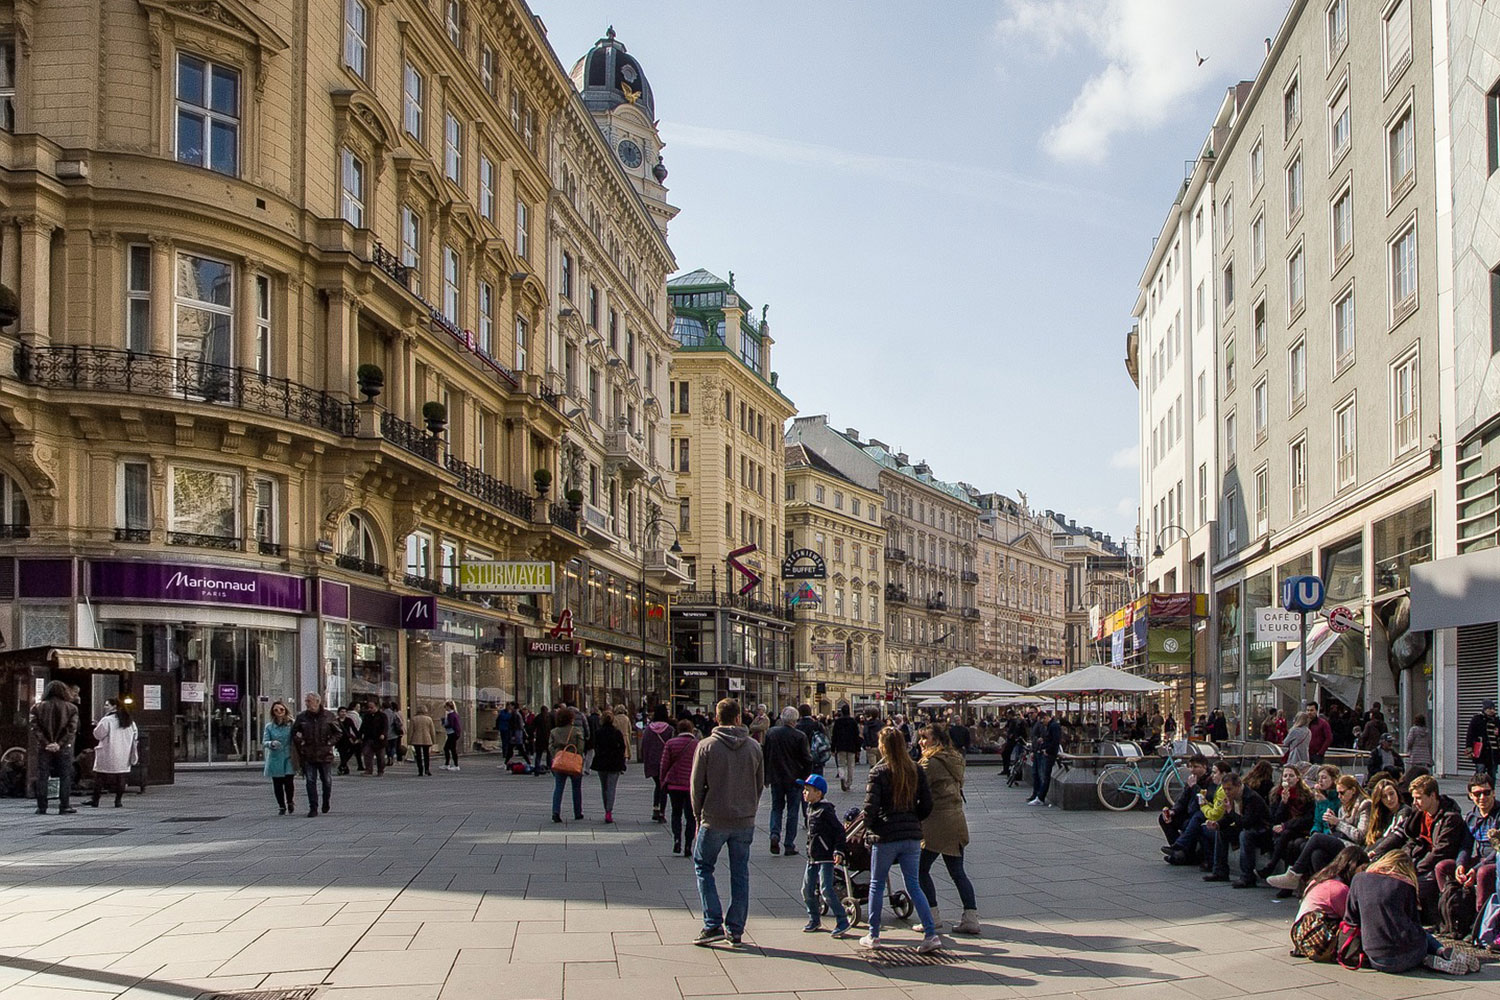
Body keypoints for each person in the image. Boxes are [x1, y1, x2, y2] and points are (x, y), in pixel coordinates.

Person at [690, 698, 764, 947]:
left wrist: (698, 816)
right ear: (738, 718)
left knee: (703, 866)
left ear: (716, 718)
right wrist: (750, 808)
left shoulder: (706, 746)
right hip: (744, 820)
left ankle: (712, 924)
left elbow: (696, 787)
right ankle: (735, 928)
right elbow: (759, 784)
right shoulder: (754, 747)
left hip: (714, 817)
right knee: (740, 872)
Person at [861, 726, 942, 953]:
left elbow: (870, 809)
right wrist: (914, 820)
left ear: (884, 746)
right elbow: (927, 804)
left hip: (886, 835)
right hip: (912, 836)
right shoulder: (915, 769)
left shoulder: (879, 772)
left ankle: (873, 935)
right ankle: (930, 933)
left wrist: (870, 827)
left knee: (877, 884)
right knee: (914, 884)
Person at [1344, 851, 1478, 975]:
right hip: (1408, 953)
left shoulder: (1359, 879)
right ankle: (1439, 951)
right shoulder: (1405, 885)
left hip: (1376, 957)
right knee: (1423, 935)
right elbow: (1414, 924)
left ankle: (1429, 959)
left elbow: (1351, 918)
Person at [917, 724, 980, 934]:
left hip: (936, 822)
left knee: (920, 870)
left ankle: (932, 916)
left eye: (925, 738)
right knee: (957, 872)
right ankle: (971, 918)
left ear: (936, 740)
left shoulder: (930, 762)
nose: (921, 742)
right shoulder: (955, 758)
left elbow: (916, 787)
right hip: (956, 820)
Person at [1267, 770, 1366, 891]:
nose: (1340, 796)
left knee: (1313, 839)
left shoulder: (1363, 805)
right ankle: (1322, 890)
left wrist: (1337, 822)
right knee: (1316, 854)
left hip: (1354, 847)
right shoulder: (1343, 803)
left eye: (1342, 793)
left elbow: (1360, 836)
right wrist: (1284, 802)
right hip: (1335, 838)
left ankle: (1294, 874)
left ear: (1353, 790)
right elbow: (1319, 822)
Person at [1434, 776, 1498, 921]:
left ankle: (1479, 922)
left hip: (1494, 861)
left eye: (1486, 793)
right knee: (1442, 867)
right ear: (1470, 795)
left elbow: (1497, 851)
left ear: (1493, 792)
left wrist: (1475, 869)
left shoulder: (1498, 816)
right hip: (1479, 859)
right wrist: (1460, 865)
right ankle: (1450, 912)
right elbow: (1466, 846)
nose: (1482, 797)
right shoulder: (1471, 817)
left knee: (1483, 873)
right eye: (1477, 794)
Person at [1289, 846, 1367, 959]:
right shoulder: (1338, 889)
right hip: (1319, 940)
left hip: (1302, 934)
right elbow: (1352, 918)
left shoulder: (1319, 879)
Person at [799, 773, 851, 938]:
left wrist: (839, 850)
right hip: (812, 857)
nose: (804, 793)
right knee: (806, 890)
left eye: (808, 790)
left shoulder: (825, 810)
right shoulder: (811, 808)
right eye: (804, 790)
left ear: (819, 793)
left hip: (825, 857)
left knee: (826, 889)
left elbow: (839, 831)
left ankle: (842, 919)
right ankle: (814, 918)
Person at [1201, 771, 1271, 888]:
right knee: (1221, 832)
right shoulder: (1232, 797)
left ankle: (1247, 876)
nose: (1227, 792)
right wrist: (1217, 824)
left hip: (1261, 830)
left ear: (1238, 786)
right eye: (1225, 789)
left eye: (1230, 789)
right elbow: (1229, 818)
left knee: (1245, 835)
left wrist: (1230, 812)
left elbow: (1246, 822)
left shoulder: (1251, 798)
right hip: (1246, 827)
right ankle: (1220, 870)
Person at [763, 706, 812, 856]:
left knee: (776, 808)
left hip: (776, 778)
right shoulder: (800, 736)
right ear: (795, 720)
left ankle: (774, 834)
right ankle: (789, 844)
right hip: (794, 779)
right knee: (793, 811)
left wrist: (766, 776)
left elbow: (765, 755)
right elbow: (807, 759)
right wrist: (805, 778)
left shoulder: (771, 733)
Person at [29, 680, 79, 815]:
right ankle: (64, 805)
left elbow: (35, 728)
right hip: (64, 748)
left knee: (43, 776)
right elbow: (71, 729)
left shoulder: (37, 707)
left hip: (44, 748)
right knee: (65, 776)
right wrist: (59, 744)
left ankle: (42, 807)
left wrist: (46, 743)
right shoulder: (72, 708)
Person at [1260, 766, 1316, 878]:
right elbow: (1275, 818)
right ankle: (1286, 881)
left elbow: (1308, 818)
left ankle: (1272, 866)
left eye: (1291, 776)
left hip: (1300, 829)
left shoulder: (1307, 795)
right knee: (1288, 843)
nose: (1288, 779)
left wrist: (1286, 825)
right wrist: (1283, 803)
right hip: (1283, 832)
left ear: (1297, 778)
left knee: (1288, 838)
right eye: (1285, 776)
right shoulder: (1276, 794)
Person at [1161, 754, 1215, 865]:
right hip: (1189, 813)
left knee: (1194, 820)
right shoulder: (1191, 780)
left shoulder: (1210, 781)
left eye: (1195, 767)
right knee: (1165, 819)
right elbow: (1183, 800)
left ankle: (1180, 850)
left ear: (1204, 767)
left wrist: (1194, 787)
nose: (1192, 770)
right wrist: (1173, 811)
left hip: (1201, 814)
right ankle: (1180, 852)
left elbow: (1206, 799)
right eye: (1190, 767)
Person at [291, 692, 338, 817]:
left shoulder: (328, 716)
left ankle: (326, 801)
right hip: (308, 754)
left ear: (317, 702)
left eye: (309, 701)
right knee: (310, 781)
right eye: (306, 701)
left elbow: (338, 732)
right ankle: (313, 807)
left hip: (325, 754)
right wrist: (300, 741)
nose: (307, 704)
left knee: (327, 781)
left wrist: (330, 742)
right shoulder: (302, 717)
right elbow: (294, 732)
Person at [660, 719, 700, 855]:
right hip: (691, 786)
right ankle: (688, 845)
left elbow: (664, 764)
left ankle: (677, 839)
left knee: (676, 813)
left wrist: (662, 781)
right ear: (691, 729)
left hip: (674, 785)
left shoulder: (670, 743)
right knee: (691, 816)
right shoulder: (697, 744)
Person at [90, 701, 140, 810]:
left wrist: (97, 725)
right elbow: (135, 736)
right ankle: (118, 801)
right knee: (121, 777)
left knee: (100, 776)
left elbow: (98, 735)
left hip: (108, 752)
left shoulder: (107, 720)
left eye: (107, 705)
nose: (105, 706)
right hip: (124, 753)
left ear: (114, 707)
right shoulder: (129, 721)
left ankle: (95, 800)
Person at [549, 707, 587, 823]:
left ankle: (556, 811)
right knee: (576, 788)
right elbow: (581, 747)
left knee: (558, 788)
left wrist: (556, 755)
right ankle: (577, 812)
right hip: (573, 762)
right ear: (571, 719)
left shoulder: (554, 731)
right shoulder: (576, 731)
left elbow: (550, 746)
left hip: (560, 761)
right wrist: (577, 756)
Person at [640, 704, 674, 823]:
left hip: (652, 761)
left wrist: (645, 758)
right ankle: (661, 812)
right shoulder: (669, 729)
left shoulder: (649, 729)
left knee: (657, 785)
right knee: (663, 786)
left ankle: (655, 809)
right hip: (665, 762)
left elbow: (644, 745)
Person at [593, 708, 627, 824]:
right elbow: (622, 748)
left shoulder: (598, 732)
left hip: (602, 763)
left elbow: (595, 746)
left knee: (604, 787)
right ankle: (609, 811)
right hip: (614, 763)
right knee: (611, 788)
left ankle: (606, 808)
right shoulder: (617, 733)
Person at [260, 700, 295, 815]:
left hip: (288, 755)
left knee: (289, 781)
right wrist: (271, 743)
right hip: (275, 757)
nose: (279, 712)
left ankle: (290, 801)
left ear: (285, 711)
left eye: (281, 709)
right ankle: (281, 805)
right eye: (276, 710)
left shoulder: (291, 724)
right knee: (277, 783)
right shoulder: (269, 727)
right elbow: (264, 742)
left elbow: (297, 737)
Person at [1026, 709, 1061, 806]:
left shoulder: (1054, 726)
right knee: (1044, 775)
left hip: (1049, 754)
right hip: (1047, 753)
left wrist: (1048, 750)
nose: (1042, 723)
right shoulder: (1051, 725)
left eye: (1042, 721)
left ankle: (1040, 797)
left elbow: (1055, 741)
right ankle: (1040, 796)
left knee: (1045, 776)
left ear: (1045, 717)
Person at [1466, 699, 1499, 786]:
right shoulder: (1477, 719)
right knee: (1480, 772)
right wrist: (1469, 748)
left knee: (1492, 775)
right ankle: (1477, 789)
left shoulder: (1497, 721)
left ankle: (1491, 792)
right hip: (1481, 752)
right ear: (1484, 709)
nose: (1492, 711)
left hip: (1493, 753)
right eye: (1490, 708)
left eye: (1493, 708)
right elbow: (1470, 734)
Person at [831, 705, 862, 792]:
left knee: (841, 764)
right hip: (851, 746)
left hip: (840, 746)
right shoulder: (853, 722)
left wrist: (833, 748)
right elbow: (856, 735)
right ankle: (848, 783)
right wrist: (858, 748)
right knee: (851, 765)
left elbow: (834, 736)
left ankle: (842, 776)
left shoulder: (838, 722)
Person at [797, 704, 829, 777]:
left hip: (802, 759)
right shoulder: (817, 725)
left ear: (800, 713)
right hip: (816, 758)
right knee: (816, 783)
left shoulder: (797, 726)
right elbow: (824, 738)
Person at [358, 699, 387, 776]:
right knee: (367, 754)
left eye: (371, 707)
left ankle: (380, 770)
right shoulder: (367, 716)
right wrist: (359, 736)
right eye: (369, 708)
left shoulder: (382, 716)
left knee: (380, 756)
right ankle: (368, 770)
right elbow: (362, 727)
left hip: (379, 739)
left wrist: (383, 734)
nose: (369, 709)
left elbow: (385, 726)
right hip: (368, 738)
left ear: (376, 707)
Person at [407, 704, 436, 776]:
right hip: (427, 738)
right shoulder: (429, 719)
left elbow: (411, 731)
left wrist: (409, 740)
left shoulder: (414, 719)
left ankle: (420, 770)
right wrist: (433, 740)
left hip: (416, 739)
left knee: (418, 755)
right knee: (426, 755)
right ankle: (427, 769)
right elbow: (432, 731)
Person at [529, 705, 553, 775]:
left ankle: (537, 769)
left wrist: (531, 736)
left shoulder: (538, 717)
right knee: (549, 754)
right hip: (548, 738)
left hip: (540, 738)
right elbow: (554, 727)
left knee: (539, 754)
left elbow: (532, 727)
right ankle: (549, 768)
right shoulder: (550, 717)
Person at [334, 706, 359, 775]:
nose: (343, 713)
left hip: (348, 739)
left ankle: (342, 766)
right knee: (342, 755)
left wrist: (358, 737)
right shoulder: (336, 721)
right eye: (342, 712)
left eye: (345, 712)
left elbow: (354, 729)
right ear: (338, 713)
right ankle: (344, 768)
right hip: (340, 740)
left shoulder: (349, 720)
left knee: (350, 752)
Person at [441, 700, 462, 771]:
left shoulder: (451, 714)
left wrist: (444, 725)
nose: (445, 708)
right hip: (453, 733)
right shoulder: (454, 714)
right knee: (449, 748)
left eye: (446, 707)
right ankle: (449, 764)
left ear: (448, 707)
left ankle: (455, 765)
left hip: (452, 733)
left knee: (449, 748)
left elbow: (451, 724)